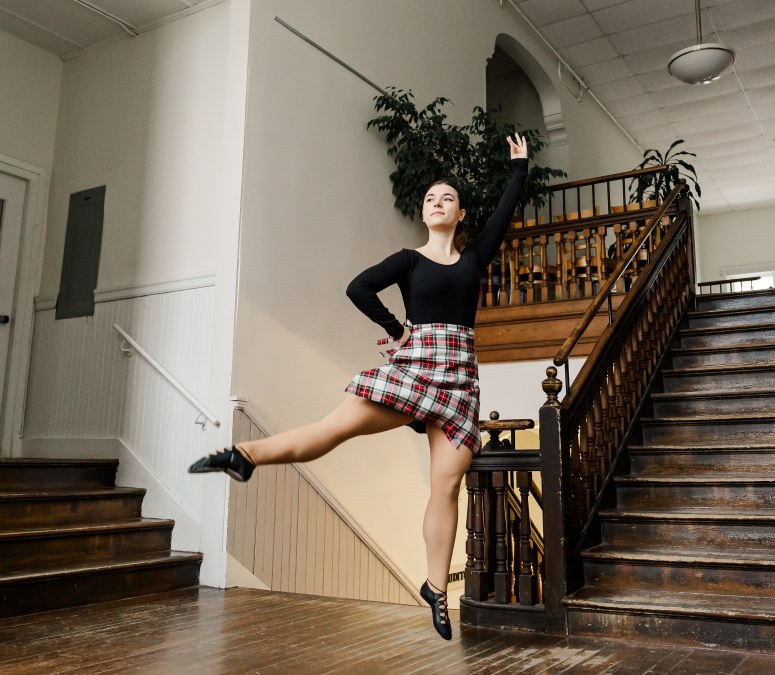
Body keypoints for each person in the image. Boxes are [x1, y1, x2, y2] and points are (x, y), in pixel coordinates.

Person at [190, 133, 529, 640]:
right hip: (416, 369)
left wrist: (519, 167)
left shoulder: (473, 259)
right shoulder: (408, 260)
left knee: (447, 485)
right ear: (423, 212)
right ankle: (245, 455)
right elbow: (358, 287)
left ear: (460, 215)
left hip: (458, 380)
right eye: (431, 198)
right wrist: (397, 330)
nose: (437, 202)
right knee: (336, 428)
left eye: (448, 198)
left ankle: (435, 588)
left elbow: (505, 211)